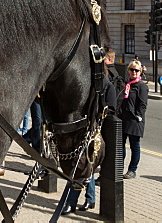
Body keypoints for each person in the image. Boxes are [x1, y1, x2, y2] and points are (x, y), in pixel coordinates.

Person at [64, 51, 120, 214]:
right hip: (84, 129)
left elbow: (110, 110)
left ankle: (72, 201)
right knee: (86, 167)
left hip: (96, 133)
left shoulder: (106, 84)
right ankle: (90, 199)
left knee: (84, 165)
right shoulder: (89, 83)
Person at [120, 59, 149, 179]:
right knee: (120, 146)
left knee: (134, 146)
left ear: (140, 72)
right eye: (132, 70)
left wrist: (138, 115)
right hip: (124, 118)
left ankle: (132, 170)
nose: (134, 72)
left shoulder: (141, 86)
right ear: (128, 71)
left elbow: (143, 104)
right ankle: (118, 167)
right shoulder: (126, 84)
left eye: (136, 70)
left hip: (135, 120)